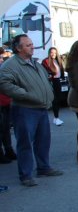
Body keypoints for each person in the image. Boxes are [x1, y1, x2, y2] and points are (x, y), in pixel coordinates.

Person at [0, 34, 63, 186]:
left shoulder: (34, 62)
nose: (32, 46)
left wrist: (48, 94)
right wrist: (25, 95)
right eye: (28, 45)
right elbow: (4, 83)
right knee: (25, 143)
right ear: (18, 48)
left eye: (31, 44)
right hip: (25, 108)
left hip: (40, 108)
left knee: (43, 141)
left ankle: (43, 167)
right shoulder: (10, 65)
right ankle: (26, 175)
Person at [0, 49, 17, 164]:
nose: (1, 59)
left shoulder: (2, 67)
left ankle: (8, 149)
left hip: (6, 101)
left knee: (6, 128)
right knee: (1, 128)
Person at [42, 47, 65, 126]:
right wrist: (50, 75)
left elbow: (61, 71)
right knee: (54, 99)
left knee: (58, 99)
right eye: (52, 52)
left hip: (57, 81)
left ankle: (56, 118)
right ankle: (56, 117)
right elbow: (44, 72)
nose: (53, 54)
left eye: (55, 53)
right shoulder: (46, 61)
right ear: (49, 53)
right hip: (51, 81)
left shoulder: (57, 60)